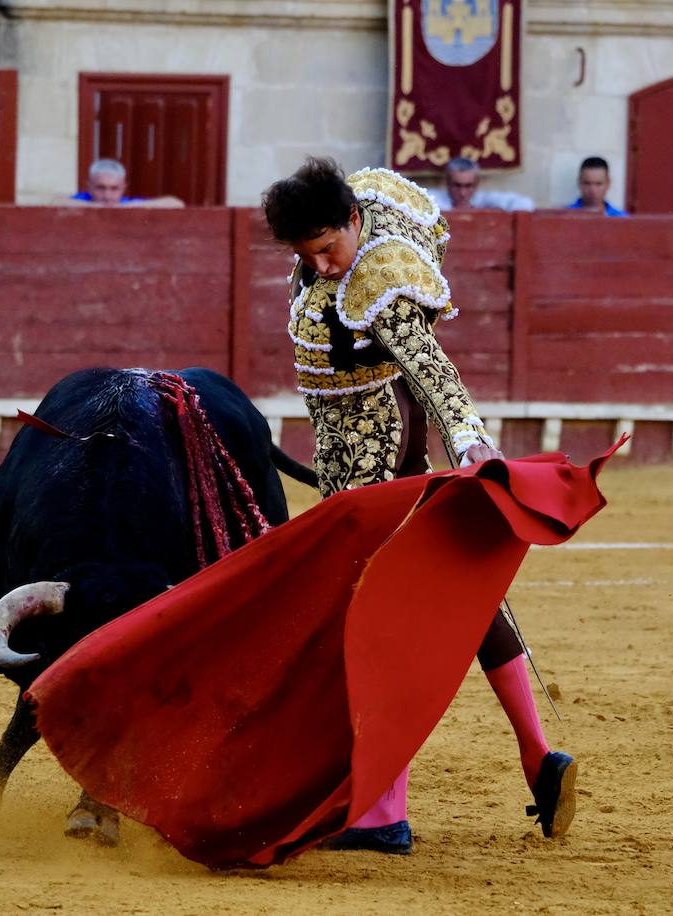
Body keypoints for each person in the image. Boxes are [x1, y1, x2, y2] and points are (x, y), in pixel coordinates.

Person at [262, 157, 576, 854]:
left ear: (352, 221)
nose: (319, 265)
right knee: (453, 592)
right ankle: (536, 754)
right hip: (362, 436)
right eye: (304, 254)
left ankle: (382, 813)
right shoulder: (338, 240)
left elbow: (434, 370)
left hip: (374, 444)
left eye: (326, 247)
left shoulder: (380, 272)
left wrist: (469, 441)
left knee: (373, 611)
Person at [56, 158, 184, 208]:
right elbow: (56, 202)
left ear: (123, 188)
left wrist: (123, 208)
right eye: (101, 188)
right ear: (89, 187)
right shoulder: (82, 199)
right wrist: (98, 207)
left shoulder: (127, 203)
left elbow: (176, 204)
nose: (107, 195)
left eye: (114, 189)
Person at [428, 156, 534, 212]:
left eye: (468, 186)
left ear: (477, 184)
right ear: (447, 183)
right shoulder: (434, 199)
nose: (462, 193)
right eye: (457, 185)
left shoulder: (484, 199)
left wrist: (494, 214)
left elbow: (525, 204)